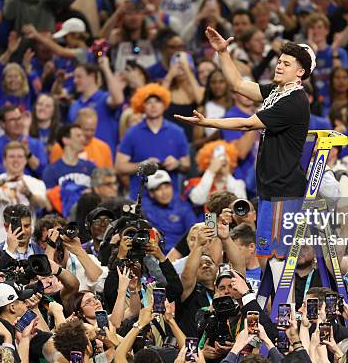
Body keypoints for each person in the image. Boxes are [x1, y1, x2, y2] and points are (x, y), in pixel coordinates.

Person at [176, 27, 327, 258]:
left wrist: (208, 122)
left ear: (300, 72)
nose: (279, 66)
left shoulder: (295, 100)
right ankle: (267, 296)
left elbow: (248, 124)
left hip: (283, 192)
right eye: (279, 61)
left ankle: (283, 296)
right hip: (269, 187)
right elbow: (237, 84)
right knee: (265, 253)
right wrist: (223, 52)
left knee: (278, 256)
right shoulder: (278, 92)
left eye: (287, 64)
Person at [116, 83, 190, 199]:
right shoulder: (132, 133)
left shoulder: (177, 132)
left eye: (157, 101)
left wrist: (177, 164)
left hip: (170, 200)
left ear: (164, 104)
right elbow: (120, 166)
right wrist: (143, 165)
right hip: (140, 200)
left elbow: (186, 165)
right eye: (148, 102)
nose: (153, 106)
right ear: (142, 106)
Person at [0, 141, 49, 242]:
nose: (16, 160)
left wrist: (28, 194)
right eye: (12, 156)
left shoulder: (35, 182)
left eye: (20, 156)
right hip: (1, 238)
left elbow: (44, 204)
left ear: (26, 160)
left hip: (28, 239)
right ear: (4, 160)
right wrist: (5, 179)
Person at [43, 124, 96, 217]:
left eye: (83, 135)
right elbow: (49, 201)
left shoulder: (91, 167)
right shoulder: (51, 170)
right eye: (78, 136)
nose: (83, 138)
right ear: (66, 140)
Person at [142, 170, 197, 253]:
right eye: (158, 189)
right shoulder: (145, 209)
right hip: (154, 255)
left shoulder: (183, 207)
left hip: (181, 254)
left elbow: (193, 233)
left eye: (167, 187)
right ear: (151, 193)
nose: (164, 192)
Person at [0, 105, 48, 177]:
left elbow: (44, 172)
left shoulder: (36, 144)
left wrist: (28, 153)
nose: (17, 123)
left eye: (19, 118)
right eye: (12, 120)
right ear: (2, 124)